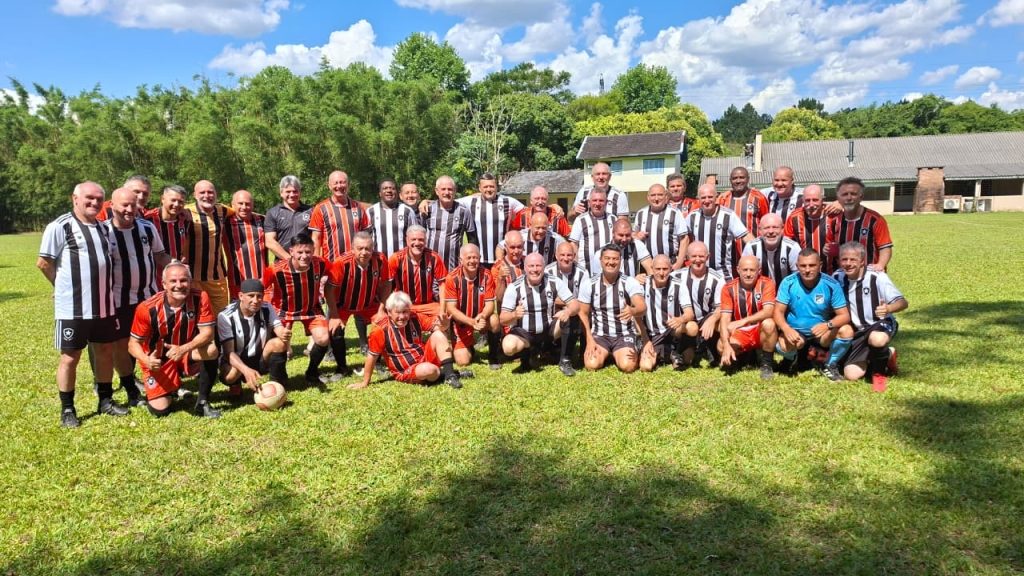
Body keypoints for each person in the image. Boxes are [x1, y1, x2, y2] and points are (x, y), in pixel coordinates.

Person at [38, 181, 130, 427]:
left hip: (104, 305)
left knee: (104, 352)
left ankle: (105, 401)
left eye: (99, 199)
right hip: (73, 308)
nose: (94, 203)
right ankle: (68, 409)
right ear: (74, 198)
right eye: (89, 198)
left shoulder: (103, 227)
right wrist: (62, 289)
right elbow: (44, 263)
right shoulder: (60, 226)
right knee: (70, 357)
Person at [128, 261, 222, 418]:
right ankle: (171, 387)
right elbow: (132, 344)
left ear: (190, 282)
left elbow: (207, 333)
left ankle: (202, 403)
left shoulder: (200, 298)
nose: (179, 285)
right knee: (160, 410)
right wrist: (146, 360)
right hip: (158, 359)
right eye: (173, 281)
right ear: (164, 284)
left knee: (211, 350)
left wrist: (183, 349)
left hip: (185, 352)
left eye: (184, 280)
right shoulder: (147, 308)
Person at [105, 186, 170, 407]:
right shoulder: (103, 232)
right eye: (124, 205)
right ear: (111, 205)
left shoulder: (147, 227)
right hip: (118, 300)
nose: (129, 209)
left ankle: (159, 381)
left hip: (148, 298)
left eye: (133, 205)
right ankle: (131, 389)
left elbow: (160, 255)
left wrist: (176, 268)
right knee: (122, 346)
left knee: (153, 342)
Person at [834, 242, 908, 391]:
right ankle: (886, 356)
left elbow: (903, 302)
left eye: (853, 259)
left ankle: (879, 374)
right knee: (851, 375)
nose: (848, 264)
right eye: (844, 259)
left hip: (879, 324)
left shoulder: (877, 276)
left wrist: (888, 308)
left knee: (877, 338)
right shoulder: (837, 277)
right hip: (858, 331)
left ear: (862, 261)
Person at [262, 232, 333, 387]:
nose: (304, 256)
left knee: (323, 338)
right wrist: (268, 311)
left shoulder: (321, 263)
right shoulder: (276, 269)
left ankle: (312, 372)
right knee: (280, 344)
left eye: (308, 252)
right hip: (283, 312)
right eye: (300, 252)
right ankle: (280, 377)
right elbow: (261, 289)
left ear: (313, 250)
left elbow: (335, 276)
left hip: (311, 309)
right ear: (291, 251)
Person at [352, 291, 464, 390]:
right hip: (405, 370)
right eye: (398, 312)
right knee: (428, 369)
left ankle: (450, 376)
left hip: (424, 358)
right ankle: (448, 374)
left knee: (439, 334)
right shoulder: (380, 329)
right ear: (389, 312)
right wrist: (365, 382)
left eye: (405, 311)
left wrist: (444, 326)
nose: (402, 316)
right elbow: (372, 356)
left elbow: (438, 329)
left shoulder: (415, 317)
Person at [773, 249, 854, 381]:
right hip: (797, 334)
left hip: (821, 334)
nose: (807, 270)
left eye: (812, 265)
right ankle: (792, 358)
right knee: (783, 344)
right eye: (803, 266)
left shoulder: (831, 284)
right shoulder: (788, 282)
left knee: (847, 330)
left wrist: (827, 325)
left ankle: (829, 364)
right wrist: (786, 329)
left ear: (820, 265)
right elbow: (778, 311)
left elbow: (844, 316)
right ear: (797, 266)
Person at [325, 231, 392, 378]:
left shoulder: (380, 259)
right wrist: (334, 315)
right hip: (343, 305)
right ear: (352, 248)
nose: (364, 252)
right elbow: (329, 289)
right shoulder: (341, 263)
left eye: (368, 248)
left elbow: (387, 284)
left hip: (369, 304)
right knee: (335, 331)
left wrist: (381, 309)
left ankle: (377, 363)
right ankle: (342, 368)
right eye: (360, 248)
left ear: (372, 248)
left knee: (384, 325)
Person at [500, 253, 579, 374]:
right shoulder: (514, 287)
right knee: (508, 347)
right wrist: (514, 315)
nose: (535, 270)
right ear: (525, 268)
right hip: (524, 334)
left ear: (544, 267)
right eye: (531, 266)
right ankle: (527, 357)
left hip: (548, 330)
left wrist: (567, 311)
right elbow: (502, 319)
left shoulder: (553, 281)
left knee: (571, 317)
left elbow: (575, 304)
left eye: (538, 266)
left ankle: (565, 360)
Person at [578, 244, 647, 373]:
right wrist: (589, 339)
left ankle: (628, 347)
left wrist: (633, 311)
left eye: (615, 259)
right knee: (591, 365)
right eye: (607, 258)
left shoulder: (629, 282)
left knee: (628, 366)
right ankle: (610, 353)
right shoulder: (589, 284)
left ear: (620, 261)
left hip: (623, 334)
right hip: (600, 335)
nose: (611, 262)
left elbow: (642, 307)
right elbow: (582, 313)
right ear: (601, 260)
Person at [217, 279, 292, 395]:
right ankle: (235, 384)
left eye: (259, 296)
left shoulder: (267, 308)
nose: (255, 301)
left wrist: (284, 334)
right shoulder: (226, 316)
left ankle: (277, 383)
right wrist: (246, 370)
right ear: (241, 296)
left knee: (279, 343)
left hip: (258, 358)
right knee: (231, 376)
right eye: (251, 296)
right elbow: (229, 353)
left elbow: (278, 328)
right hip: (236, 361)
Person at [718, 255, 778, 379]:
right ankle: (741, 358)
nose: (748, 274)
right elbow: (724, 319)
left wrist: (743, 321)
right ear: (738, 270)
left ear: (759, 271)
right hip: (742, 332)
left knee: (769, 323)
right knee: (720, 345)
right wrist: (726, 344)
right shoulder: (728, 288)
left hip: (759, 330)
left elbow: (769, 311)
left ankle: (766, 364)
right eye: (745, 270)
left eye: (752, 270)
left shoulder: (767, 283)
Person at [444, 244, 501, 368]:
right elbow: (451, 309)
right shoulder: (452, 278)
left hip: (480, 318)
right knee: (463, 361)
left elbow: (490, 303)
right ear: (461, 260)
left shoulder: (486, 275)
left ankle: (494, 356)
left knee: (494, 319)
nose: (472, 261)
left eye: (475, 257)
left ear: (480, 258)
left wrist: (483, 315)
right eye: (468, 258)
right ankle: (468, 345)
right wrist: (471, 322)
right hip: (461, 323)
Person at [671, 241, 725, 368]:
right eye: (694, 256)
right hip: (686, 323)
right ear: (687, 258)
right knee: (688, 359)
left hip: (706, 319)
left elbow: (721, 306)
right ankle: (678, 350)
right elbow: (657, 279)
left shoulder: (717, 279)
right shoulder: (676, 276)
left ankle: (718, 351)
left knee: (720, 322)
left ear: (708, 257)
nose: (697, 260)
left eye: (701, 256)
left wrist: (712, 319)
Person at [686, 183, 754, 282]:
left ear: (716, 197)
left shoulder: (728, 216)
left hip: (723, 273)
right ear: (698, 199)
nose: (707, 200)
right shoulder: (692, 216)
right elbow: (683, 238)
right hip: (699, 272)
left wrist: (758, 251)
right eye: (703, 197)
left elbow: (746, 236)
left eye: (710, 197)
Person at [455, 173, 524, 268]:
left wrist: (550, 207)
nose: (488, 189)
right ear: (480, 188)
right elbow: (448, 202)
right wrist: (428, 202)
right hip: (479, 260)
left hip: (502, 258)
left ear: (496, 188)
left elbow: (528, 211)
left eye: (492, 186)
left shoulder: (508, 201)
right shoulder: (470, 201)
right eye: (485, 187)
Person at [388, 225, 448, 332]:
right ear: (407, 240)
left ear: (426, 241)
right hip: (404, 304)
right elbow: (386, 284)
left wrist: (443, 310)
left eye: (421, 239)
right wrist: (385, 307)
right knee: (386, 319)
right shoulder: (396, 258)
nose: (417, 243)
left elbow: (442, 284)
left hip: (427, 305)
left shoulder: (434, 257)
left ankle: (440, 341)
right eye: (413, 239)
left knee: (445, 318)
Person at [639, 255, 694, 372]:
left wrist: (680, 319)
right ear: (652, 268)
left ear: (670, 269)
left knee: (692, 327)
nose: (661, 273)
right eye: (658, 269)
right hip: (652, 334)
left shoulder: (679, 285)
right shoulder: (642, 284)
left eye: (665, 269)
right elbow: (636, 315)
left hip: (672, 331)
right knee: (646, 367)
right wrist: (645, 340)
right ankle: (670, 354)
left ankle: (675, 352)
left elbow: (690, 313)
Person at [186, 179, 233, 313]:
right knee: (197, 315)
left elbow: (242, 212)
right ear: (195, 195)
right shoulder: (185, 211)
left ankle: (219, 335)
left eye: (210, 192)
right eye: (202, 192)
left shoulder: (222, 210)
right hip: (193, 277)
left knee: (222, 316)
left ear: (216, 194)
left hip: (217, 277)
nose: (207, 196)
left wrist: (267, 218)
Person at [829, 176, 893, 271]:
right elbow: (830, 245)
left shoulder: (875, 220)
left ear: (861, 197)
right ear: (838, 198)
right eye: (845, 194)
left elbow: (885, 247)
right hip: (844, 274)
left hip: (869, 275)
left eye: (853, 194)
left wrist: (881, 265)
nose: (849, 198)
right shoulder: (834, 220)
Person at [545, 241, 588, 374]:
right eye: (562, 255)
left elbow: (583, 300)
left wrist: (569, 306)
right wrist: (570, 303)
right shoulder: (547, 271)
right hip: (552, 314)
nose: (566, 258)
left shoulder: (582, 272)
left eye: (569, 255)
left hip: (575, 312)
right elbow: (548, 298)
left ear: (574, 256)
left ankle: (581, 354)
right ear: (556, 256)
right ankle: (547, 350)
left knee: (578, 315)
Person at [309, 170, 369, 262]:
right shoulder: (321, 208)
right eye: (335, 183)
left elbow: (366, 236)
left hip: (356, 264)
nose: (339, 186)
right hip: (331, 265)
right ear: (329, 186)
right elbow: (316, 238)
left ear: (348, 185)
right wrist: (316, 264)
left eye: (342, 182)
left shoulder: (359, 208)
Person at [422, 175, 476, 270]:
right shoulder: (427, 209)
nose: (447, 192)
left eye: (450, 189)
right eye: (443, 189)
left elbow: (472, 238)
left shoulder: (463, 211)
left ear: (455, 191)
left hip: (454, 266)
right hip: (430, 265)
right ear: (436, 191)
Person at [223, 189, 267, 300]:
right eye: (240, 203)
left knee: (263, 312)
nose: (244, 207)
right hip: (237, 279)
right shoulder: (224, 222)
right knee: (239, 313)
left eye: (247, 204)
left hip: (262, 278)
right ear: (232, 205)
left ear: (252, 205)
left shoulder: (262, 220)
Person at [633, 183, 689, 270]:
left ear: (666, 197)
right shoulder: (641, 214)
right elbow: (633, 235)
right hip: (648, 266)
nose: (656, 198)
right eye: (653, 195)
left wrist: (679, 264)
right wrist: (637, 236)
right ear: (648, 197)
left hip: (670, 265)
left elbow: (684, 239)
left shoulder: (675, 213)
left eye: (660, 195)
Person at [145, 184, 193, 280]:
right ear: (162, 199)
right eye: (173, 200)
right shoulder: (148, 220)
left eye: (180, 202)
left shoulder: (185, 220)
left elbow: (186, 245)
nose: (176, 204)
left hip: (176, 277)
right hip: (152, 278)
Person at [742, 213, 800, 286]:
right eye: (766, 228)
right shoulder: (751, 247)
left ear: (782, 229)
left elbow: (797, 277)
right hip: (759, 293)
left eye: (775, 227)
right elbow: (744, 274)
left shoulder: (792, 248)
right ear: (760, 230)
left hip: (786, 292)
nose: (771, 231)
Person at [783, 184, 832, 271]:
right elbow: (786, 244)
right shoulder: (794, 217)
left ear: (822, 200)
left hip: (830, 271)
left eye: (815, 200)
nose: (811, 204)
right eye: (807, 200)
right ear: (803, 201)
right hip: (805, 271)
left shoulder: (833, 216)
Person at [367, 178, 418, 258]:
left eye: (392, 188)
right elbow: (366, 237)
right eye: (385, 188)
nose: (389, 191)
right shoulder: (371, 211)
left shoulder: (407, 211)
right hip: (378, 260)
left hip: (402, 260)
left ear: (397, 192)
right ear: (380, 193)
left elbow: (415, 237)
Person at [265, 175, 312, 262]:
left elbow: (316, 238)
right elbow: (270, 241)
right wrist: (291, 260)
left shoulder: (310, 211)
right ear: (281, 192)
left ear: (300, 192)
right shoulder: (272, 213)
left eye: (295, 191)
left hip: (306, 262)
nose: (292, 195)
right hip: (283, 263)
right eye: (288, 191)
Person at [568, 187, 615, 274]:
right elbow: (573, 245)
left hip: (608, 271)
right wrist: (576, 269)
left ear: (606, 202)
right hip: (586, 271)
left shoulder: (613, 219)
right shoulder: (580, 220)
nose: (597, 203)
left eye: (601, 200)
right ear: (589, 203)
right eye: (594, 200)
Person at [595, 217, 653, 282]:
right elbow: (598, 280)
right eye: (621, 235)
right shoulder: (601, 253)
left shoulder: (637, 245)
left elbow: (651, 269)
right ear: (613, 234)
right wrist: (631, 281)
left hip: (634, 289)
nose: (624, 239)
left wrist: (646, 280)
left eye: (627, 235)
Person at [718, 166, 770, 237]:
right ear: (730, 180)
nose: (738, 181)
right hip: (729, 246)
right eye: (734, 178)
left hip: (752, 245)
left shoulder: (759, 198)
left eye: (742, 177)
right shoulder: (723, 199)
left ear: (748, 179)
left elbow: (767, 222)